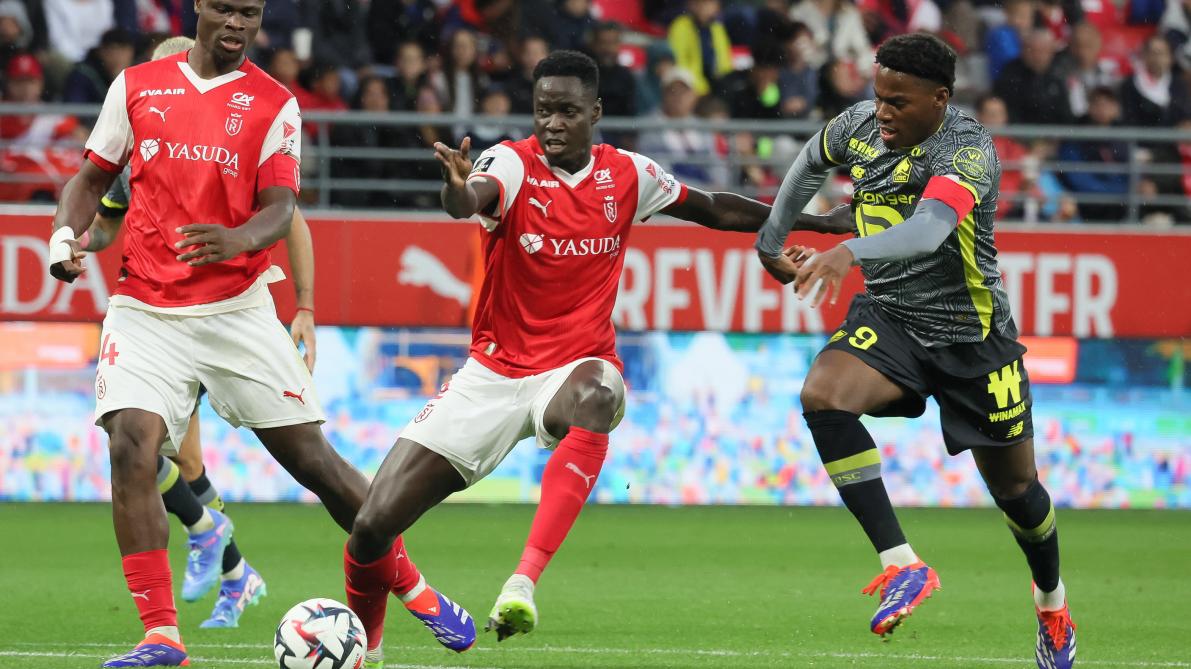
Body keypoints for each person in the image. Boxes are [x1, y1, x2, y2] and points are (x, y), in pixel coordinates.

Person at [341, 49, 852, 668]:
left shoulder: (628, 175)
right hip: (492, 376)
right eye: (543, 111)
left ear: (596, 112)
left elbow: (714, 207)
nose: (552, 124)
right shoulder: (510, 164)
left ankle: (522, 581)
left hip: (574, 367)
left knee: (599, 394)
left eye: (566, 111)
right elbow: (471, 196)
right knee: (370, 527)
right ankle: (367, 649)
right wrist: (455, 189)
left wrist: (818, 224)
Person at [47, 2, 474, 666]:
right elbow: (92, 179)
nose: (236, 23)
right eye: (225, 8)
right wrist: (64, 238)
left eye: (249, 12)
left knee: (315, 464)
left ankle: (413, 586)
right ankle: (161, 634)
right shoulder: (134, 87)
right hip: (146, 308)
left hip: (235, 309)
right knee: (131, 446)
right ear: (200, 6)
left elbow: (282, 210)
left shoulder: (275, 103)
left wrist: (240, 243)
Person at [754, 34, 1077, 669]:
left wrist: (847, 250)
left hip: (973, 340)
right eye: (878, 96)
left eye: (898, 102)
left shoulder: (966, 149)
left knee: (1018, 493)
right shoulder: (861, 124)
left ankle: (1052, 604)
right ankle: (903, 564)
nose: (882, 112)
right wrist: (771, 240)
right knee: (822, 396)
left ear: (940, 99)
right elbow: (811, 161)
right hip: (892, 318)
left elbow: (930, 230)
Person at [76, 35, 304, 630]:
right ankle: (229, 563)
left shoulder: (241, 135)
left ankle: (216, 545)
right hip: (155, 311)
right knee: (151, 450)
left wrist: (305, 306)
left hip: (223, 315)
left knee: (173, 456)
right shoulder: (139, 151)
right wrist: (80, 241)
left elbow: (292, 221)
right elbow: (107, 224)